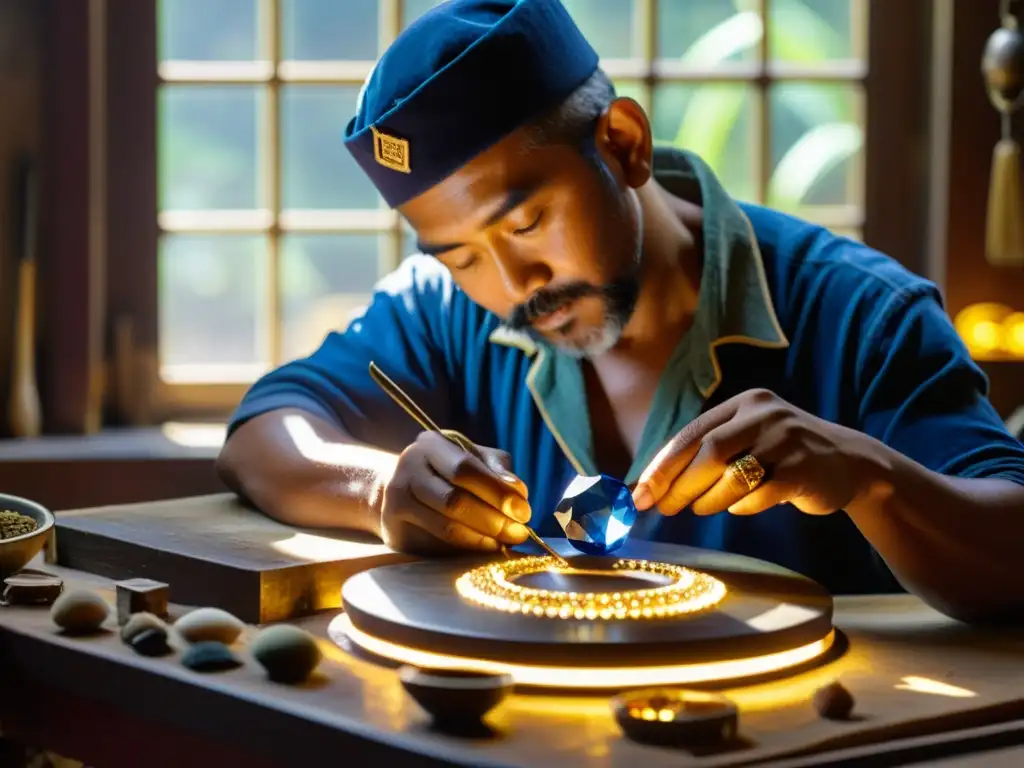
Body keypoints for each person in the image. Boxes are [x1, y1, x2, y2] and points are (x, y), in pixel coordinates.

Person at [217, 0, 1024, 622]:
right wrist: (380, 488)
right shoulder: (445, 313)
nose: (512, 283)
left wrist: (868, 478)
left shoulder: (860, 314)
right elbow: (266, 429)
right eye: (458, 254)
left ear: (623, 143)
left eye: (525, 223)